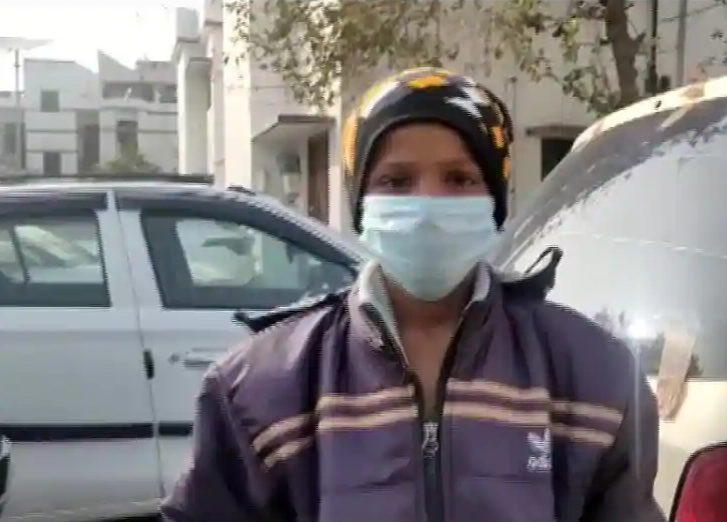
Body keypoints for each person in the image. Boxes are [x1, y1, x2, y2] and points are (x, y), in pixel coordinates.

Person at [161, 67, 664, 522]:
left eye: (460, 178)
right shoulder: (262, 389)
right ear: (360, 202)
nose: (427, 206)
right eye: (396, 181)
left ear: (495, 201)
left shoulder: (595, 380)